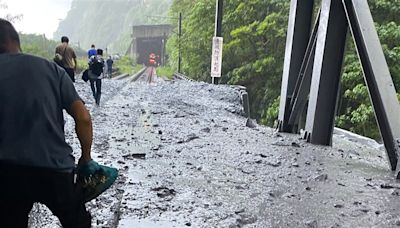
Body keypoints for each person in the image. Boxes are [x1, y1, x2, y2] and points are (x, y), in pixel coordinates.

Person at [0, 19, 92, 227]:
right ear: (16, 41)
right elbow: (83, 117)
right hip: (55, 168)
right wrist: (85, 158)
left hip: (6, 172)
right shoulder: (51, 69)